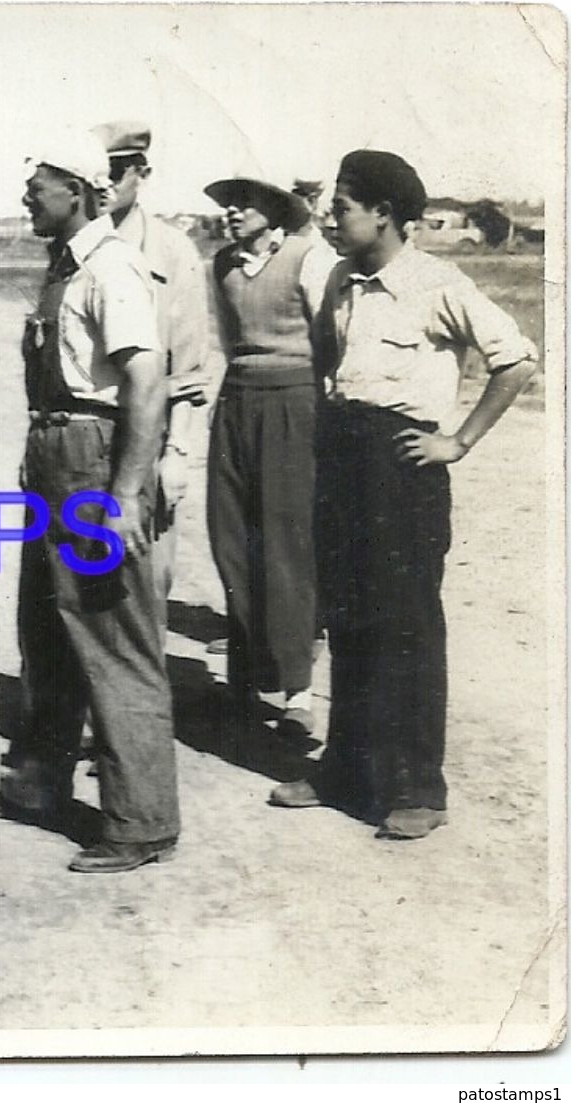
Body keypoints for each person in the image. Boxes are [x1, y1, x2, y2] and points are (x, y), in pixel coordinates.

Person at [269, 151, 537, 840]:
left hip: (402, 465)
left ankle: (417, 786)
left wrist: (458, 440)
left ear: (383, 214)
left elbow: (515, 359)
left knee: (407, 625)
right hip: (344, 456)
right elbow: (332, 366)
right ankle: (345, 769)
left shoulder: (434, 283)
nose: (331, 218)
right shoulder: (335, 280)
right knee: (348, 614)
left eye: (343, 208)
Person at [0, 129, 178, 873]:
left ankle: (140, 822)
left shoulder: (113, 269)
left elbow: (144, 382)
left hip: (92, 462)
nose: (24, 198)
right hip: (53, 456)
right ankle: (42, 781)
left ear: (73, 190)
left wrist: (125, 495)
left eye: (35, 185)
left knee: (112, 639)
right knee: (46, 631)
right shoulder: (63, 268)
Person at [203, 175, 338, 737]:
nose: (232, 214)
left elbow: (329, 338)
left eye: (243, 205)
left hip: (294, 404)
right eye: (226, 206)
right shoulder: (222, 265)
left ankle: (297, 693)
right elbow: (223, 340)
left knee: (285, 543)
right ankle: (246, 678)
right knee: (231, 538)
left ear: (272, 212)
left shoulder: (308, 259)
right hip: (236, 403)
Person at [93, 120, 213, 621]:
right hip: (86, 443)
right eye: (99, 171)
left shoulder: (171, 252)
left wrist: (178, 452)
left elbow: (186, 370)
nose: (107, 183)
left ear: (142, 173)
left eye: (119, 171)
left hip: (146, 441)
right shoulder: (76, 249)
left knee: (144, 581)